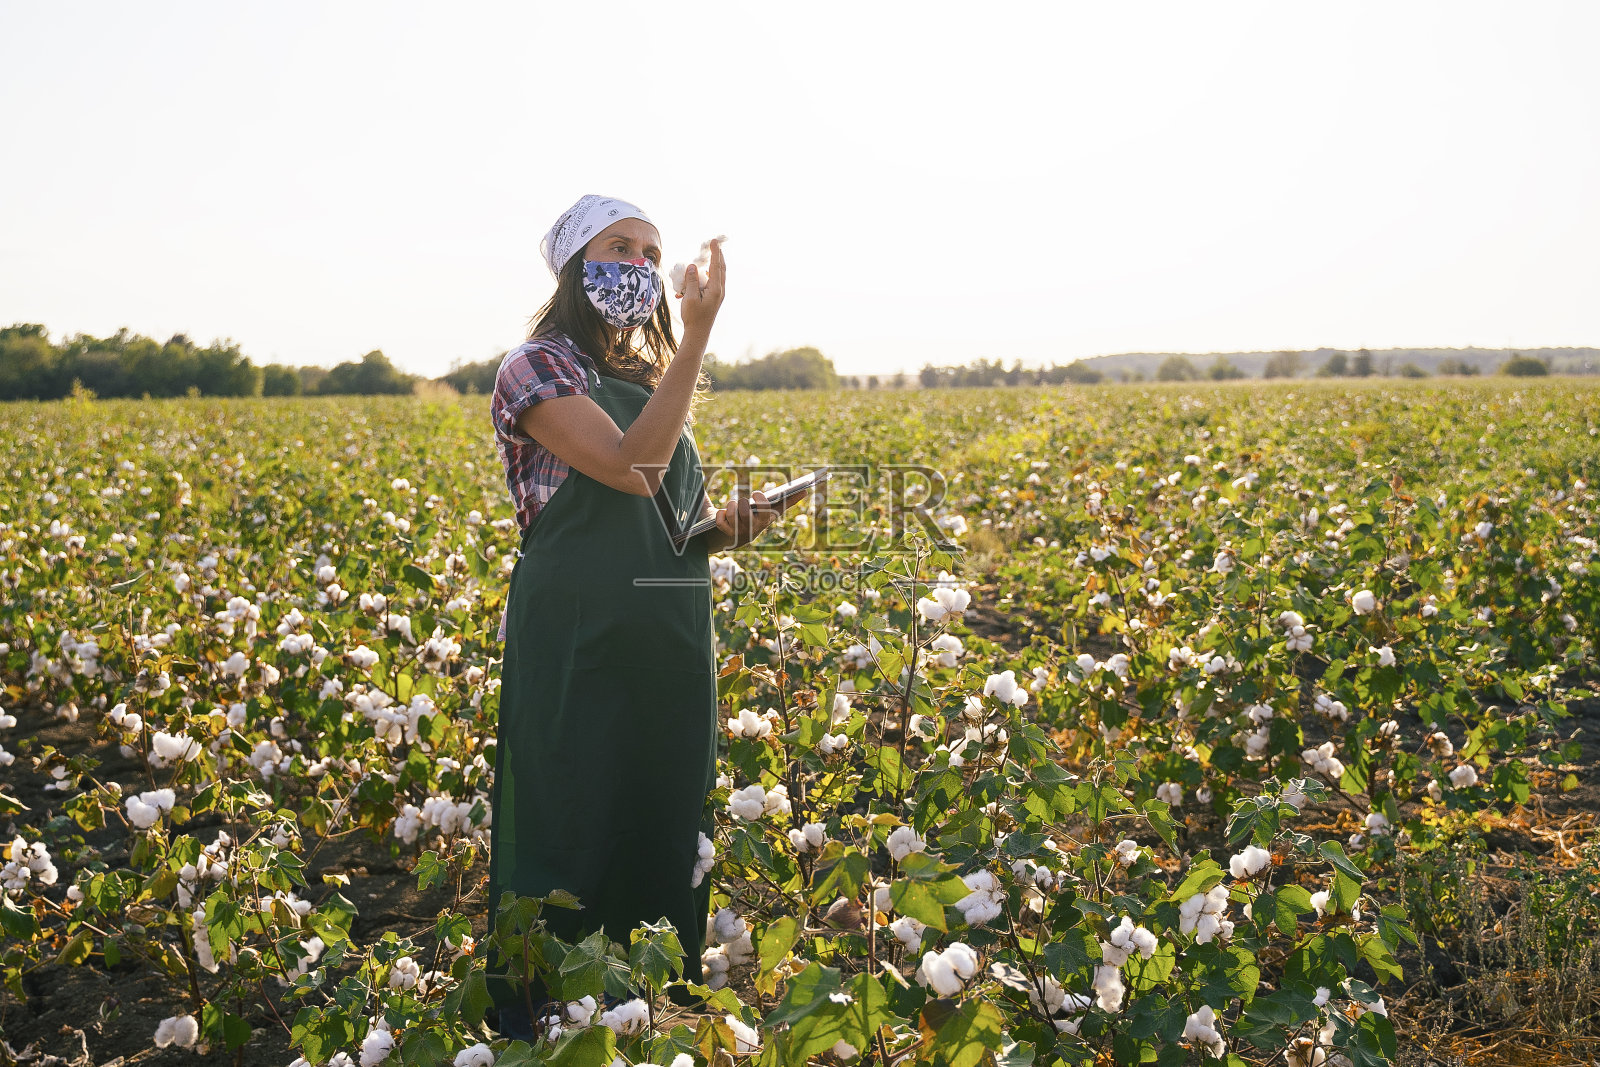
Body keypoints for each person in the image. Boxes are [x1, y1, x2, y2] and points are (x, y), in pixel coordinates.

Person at [484, 195, 783, 1037]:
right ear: (575, 266)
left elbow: (670, 520)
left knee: (662, 811)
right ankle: (550, 1018)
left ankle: (653, 1009)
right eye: (619, 247)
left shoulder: (650, 383)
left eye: (651, 253)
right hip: (578, 628)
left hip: (669, 633)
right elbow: (628, 466)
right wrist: (697, 335)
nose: (641, 266)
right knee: (572, 809)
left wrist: (728, 527)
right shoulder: (534, 368)